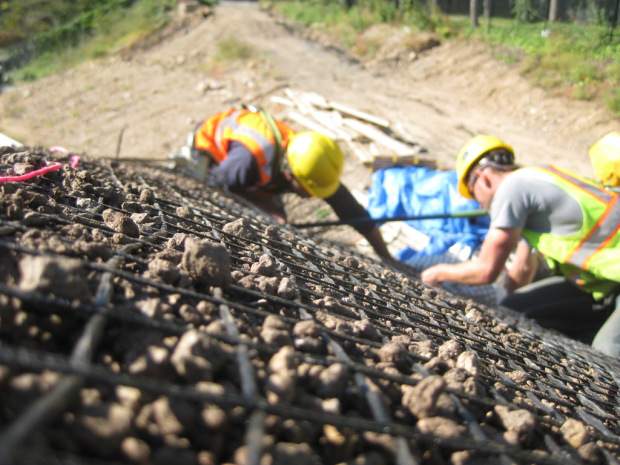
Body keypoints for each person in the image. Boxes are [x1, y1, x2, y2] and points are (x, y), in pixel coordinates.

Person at [420, 134, 620, 357]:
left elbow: (486, 271)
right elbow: (522, 268)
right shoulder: (532, 183)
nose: (478, 202)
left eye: (473, 192)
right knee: (516, 309)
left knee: (609, 349)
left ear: (481, 178)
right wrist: (506, 313)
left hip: (610, 279)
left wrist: (437, 273)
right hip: (603, 282)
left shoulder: (512, 189)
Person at [190, 107, 392, 260]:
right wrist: (264, 212)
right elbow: (213, 185)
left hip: (253, 162)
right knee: (262, 221)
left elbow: (353, 212)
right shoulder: (246, 165)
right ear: (289, 177)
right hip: (211, 149)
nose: (315, 195)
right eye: (311, 190)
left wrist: (386, 257)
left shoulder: (311, 161)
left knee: (275, 225)